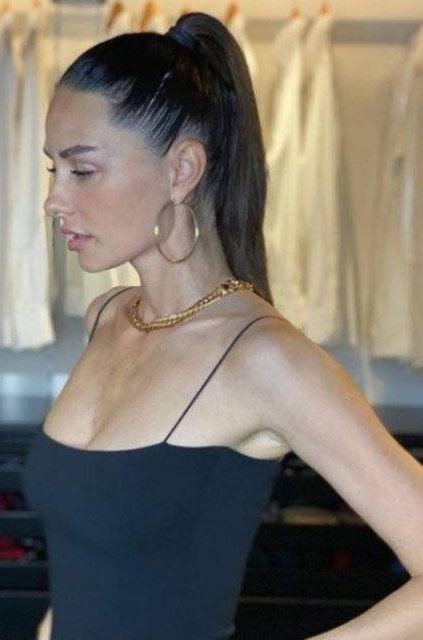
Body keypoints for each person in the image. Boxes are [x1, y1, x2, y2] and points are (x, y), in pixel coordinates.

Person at [23, 12, 423, 640]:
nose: (54, 199)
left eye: (83, 170)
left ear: (182, 170)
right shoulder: (107, 318)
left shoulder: (266, 357)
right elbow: (92, 569)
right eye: (54, 170)